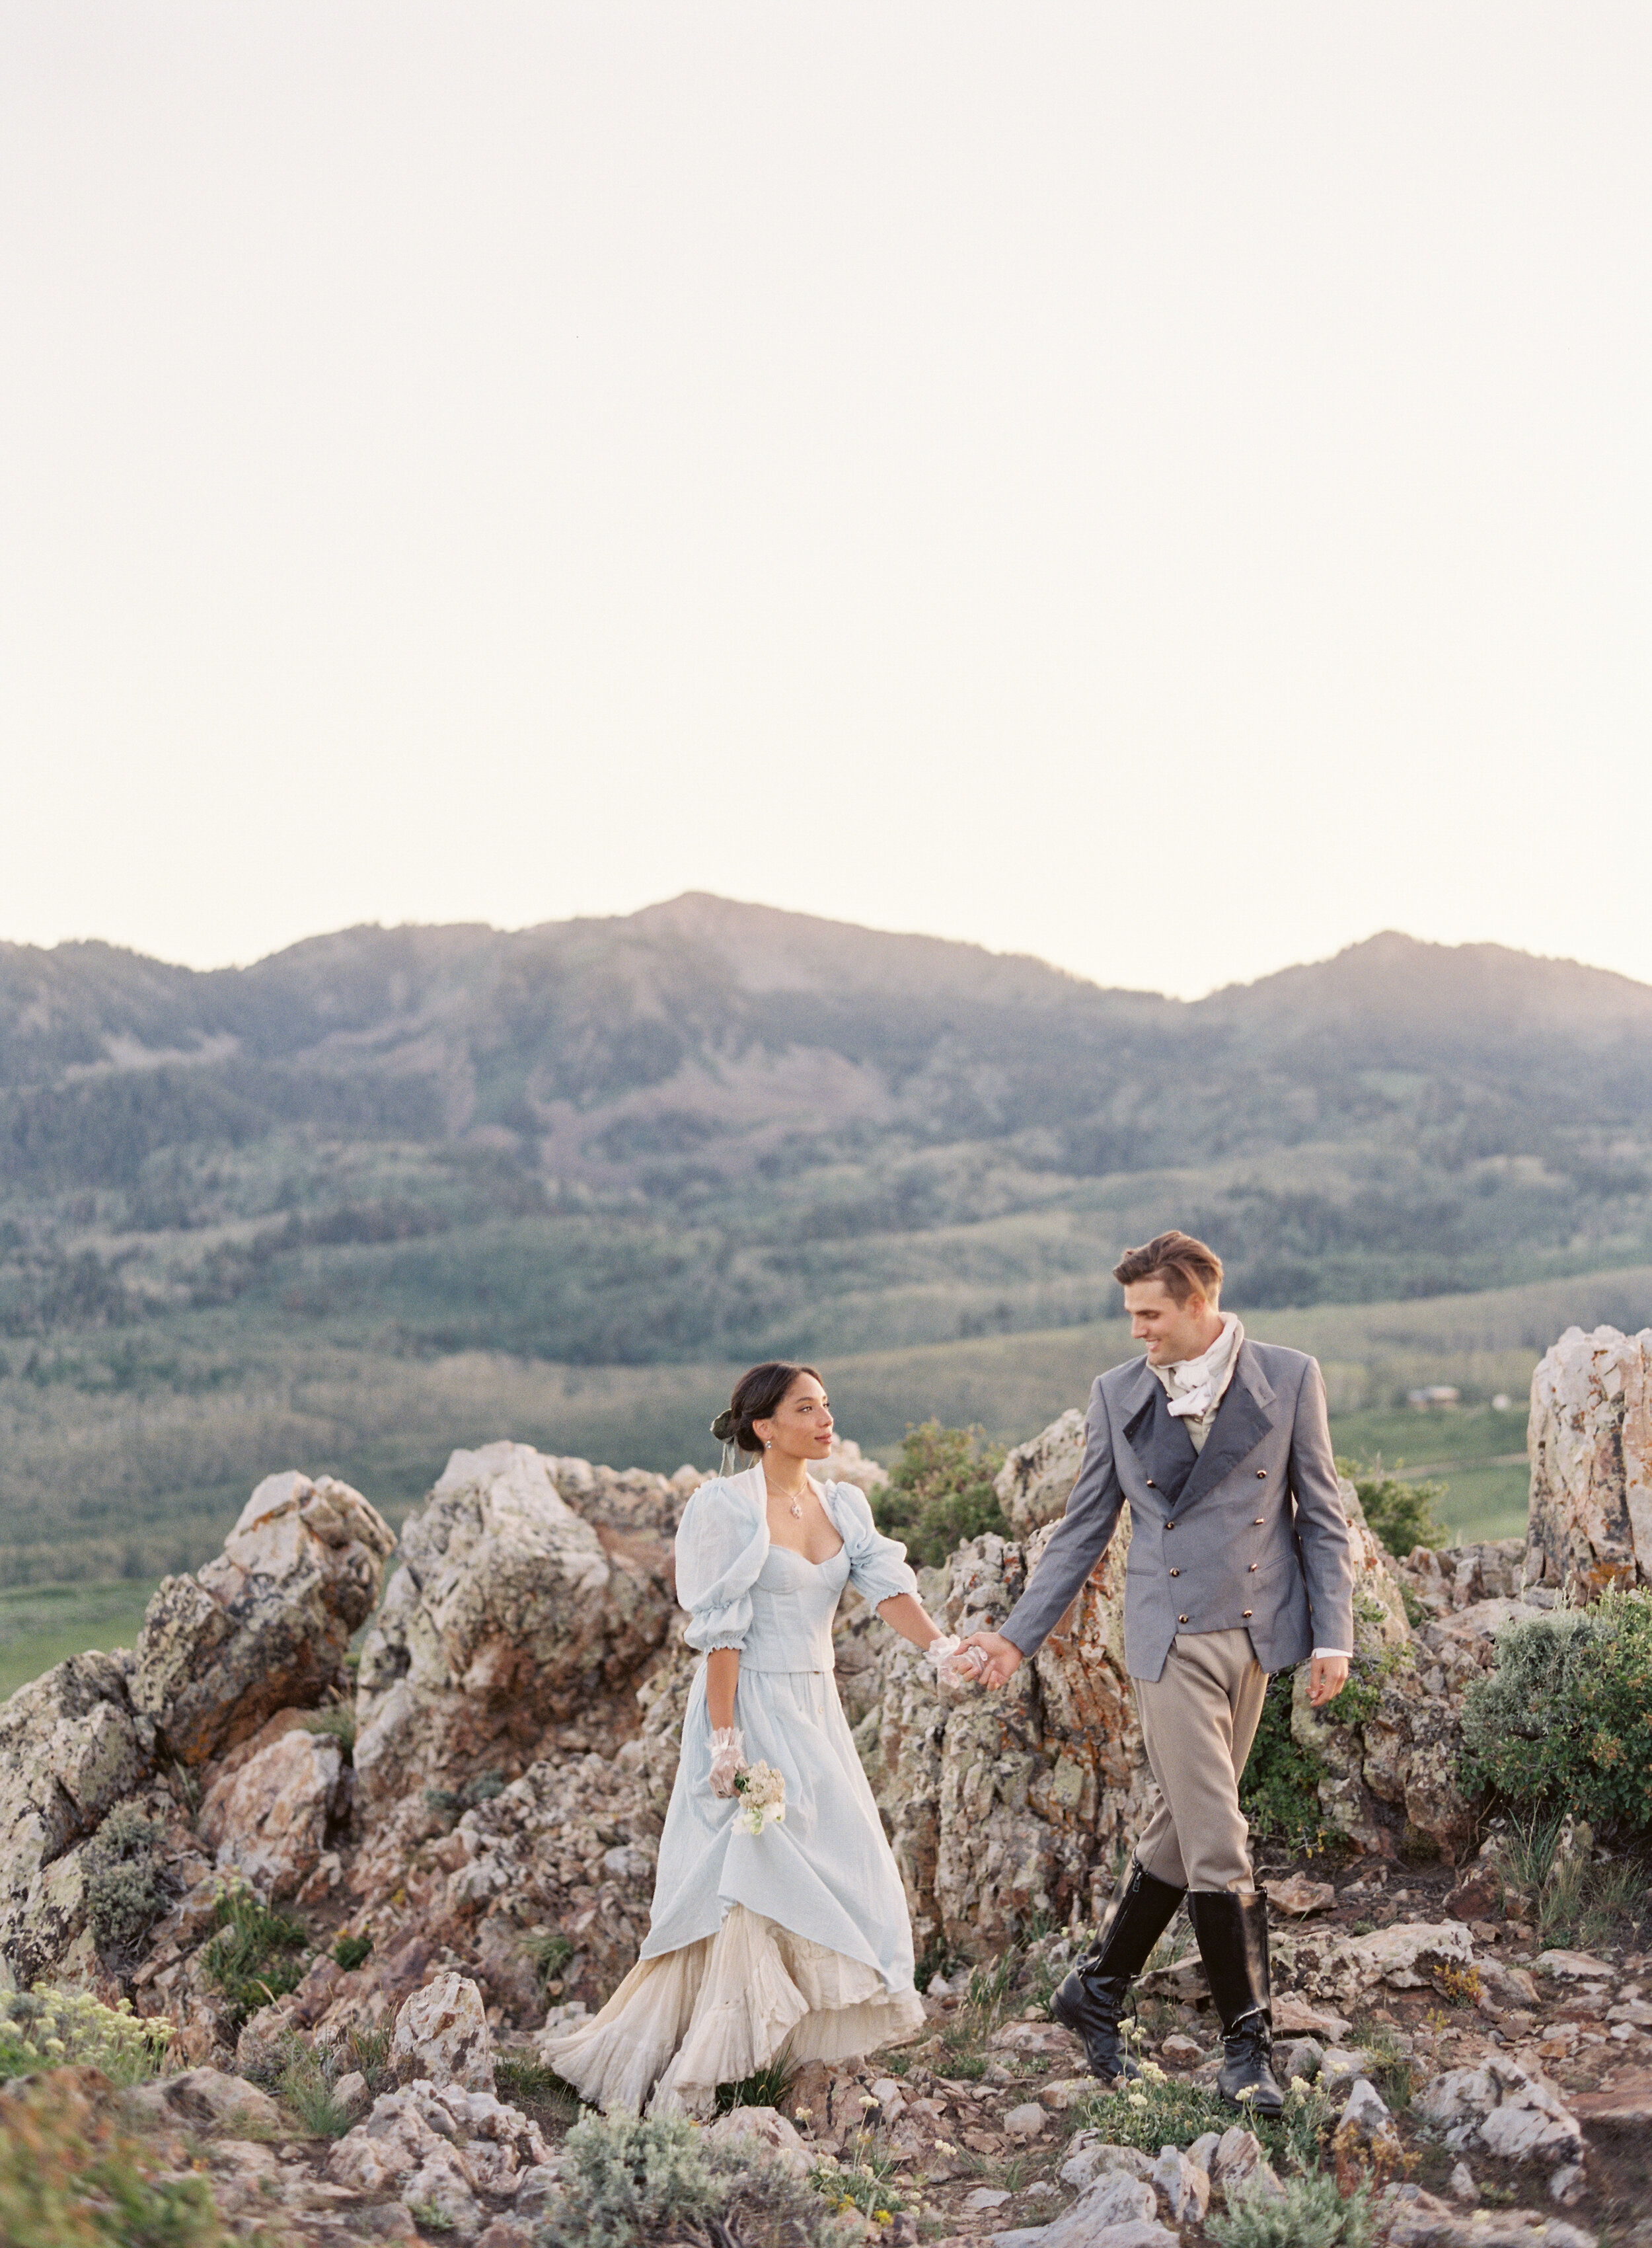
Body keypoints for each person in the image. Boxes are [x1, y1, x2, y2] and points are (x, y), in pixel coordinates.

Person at [961, 1231, 1357, 2116]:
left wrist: (1335, 1636)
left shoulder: (1289, 1378)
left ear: (1198, 1304)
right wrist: (1017, 1638)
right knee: (1220, 1838)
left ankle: (1096, 1986)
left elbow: (1322, 1517)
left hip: (1257, 1635)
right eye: (1131, 1315)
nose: (1137, 1332)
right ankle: (1246, 2049)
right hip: (1169, 1641)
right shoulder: (1117, 1393)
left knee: (1181, 1835)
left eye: (1151, 1314)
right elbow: (1082, 1529)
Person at [545, 1360, 967, 2116]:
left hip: (818, 1705)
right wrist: (725, 1739)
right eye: (806, 1408)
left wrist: (939, 1647)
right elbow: (721, 1633)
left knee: (850, 1860)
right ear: (764, 1427)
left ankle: (790, 2044)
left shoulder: (842, 1502)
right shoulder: (725, 1509)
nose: (825, 1419)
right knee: (751, 1872)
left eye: (827, 1405)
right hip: (750, 1703)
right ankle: (711, 2063)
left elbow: (886, 1586)